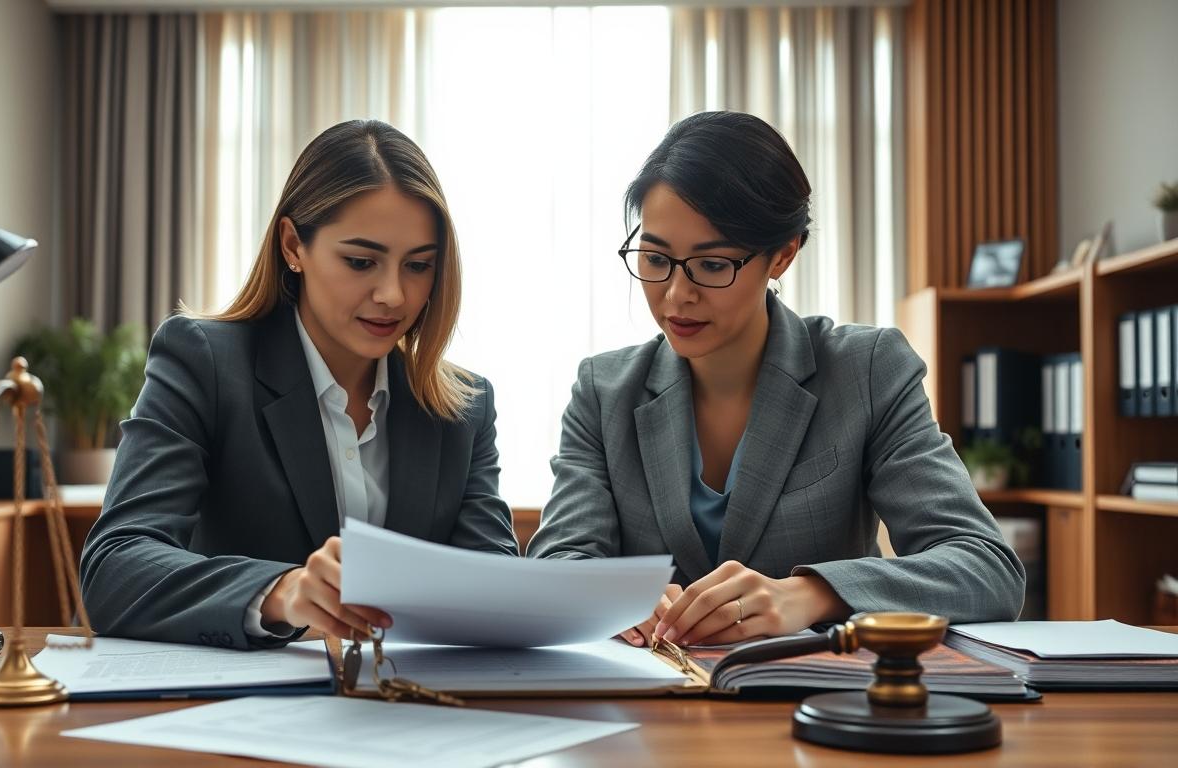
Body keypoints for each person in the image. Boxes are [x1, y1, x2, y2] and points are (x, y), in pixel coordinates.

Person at [528, 111, 1024, 648]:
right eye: (655, 258)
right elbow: (557, 562)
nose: (676, 295)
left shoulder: (866, 369)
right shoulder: (604, 391)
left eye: (712, 265)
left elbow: (986, 568)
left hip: (815, 704)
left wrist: (811, 594)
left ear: (783, 254)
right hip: (651, 709)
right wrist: (610, 593)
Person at [81, 120, 517, 648]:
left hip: (412, 712)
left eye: (419, 266)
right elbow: (115, 567)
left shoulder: (463, 408)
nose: (393, 295)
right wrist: (280, 592)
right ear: (293, 245)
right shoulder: (204, 361)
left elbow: (495, 592)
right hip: (239, 715)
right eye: (361, 261)